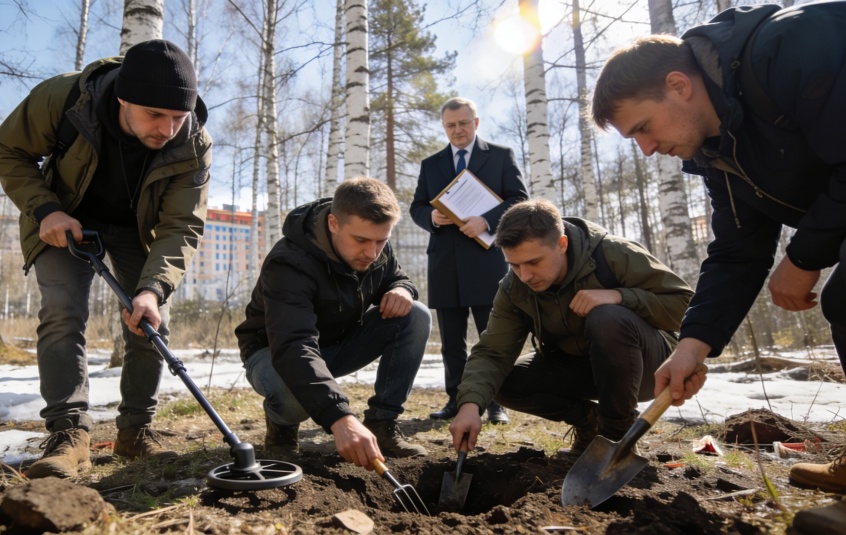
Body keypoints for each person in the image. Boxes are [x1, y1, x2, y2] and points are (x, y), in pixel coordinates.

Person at [590, 1, 846, 497]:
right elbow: (737, 252)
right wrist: (692, 345)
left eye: (643, 126)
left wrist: (802, 258)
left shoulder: (789, 46)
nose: (645, 149)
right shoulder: (719, 152)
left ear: (679, 86)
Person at [0, 40, 212, 479]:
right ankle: (69, 435)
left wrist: (151, 289)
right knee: (62, 312)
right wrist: (44, 209)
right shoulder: (65, 98)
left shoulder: (192, 142)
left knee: (151, 321)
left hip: (136, 227)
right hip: (64, 213)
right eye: (154, 115)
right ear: (124, 99)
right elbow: (7, 151)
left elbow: (182, 225)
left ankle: (135, 431)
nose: (167, 129)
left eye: (177, 117)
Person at [448, 199, 693, 458]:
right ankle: (591, 421)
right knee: (500, 381)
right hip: (580, 367)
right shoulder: (514, 288)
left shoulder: (613, 254)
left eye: (534, 262)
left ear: (561, 244)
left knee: (606, 317)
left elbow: (686, 307)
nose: (525, 276)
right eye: (515, 265)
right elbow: (492, 353)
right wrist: (469, 406)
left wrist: (620, 297)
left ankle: (616, 436)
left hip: (648, 367)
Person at [235, 177, 431, 469]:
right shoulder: (288, 263)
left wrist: (402, 290)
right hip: (274, 353)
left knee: (415, 314)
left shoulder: (375, 247)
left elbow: (396, 277)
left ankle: (382, 423)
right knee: (293, 394)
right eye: (362, 241)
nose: (372, 252)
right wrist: (340, 418)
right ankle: (282, 425)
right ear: (333, 223)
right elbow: (294, 346)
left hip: (339, 345)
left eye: (382, 241)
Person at [410, 97, 528, 424]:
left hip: (485, 260)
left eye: (463, 123)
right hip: (444, 263)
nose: (457, 130)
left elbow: (519, 199)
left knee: (492, 337)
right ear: (444, 127)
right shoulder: (430, 164)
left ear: (476, 122)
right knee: (451, 342)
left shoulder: (501, 156)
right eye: (451, 125)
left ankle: (496, 404)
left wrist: (487, 220)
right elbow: (416, 207)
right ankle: (456, 401)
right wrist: (431, 216)